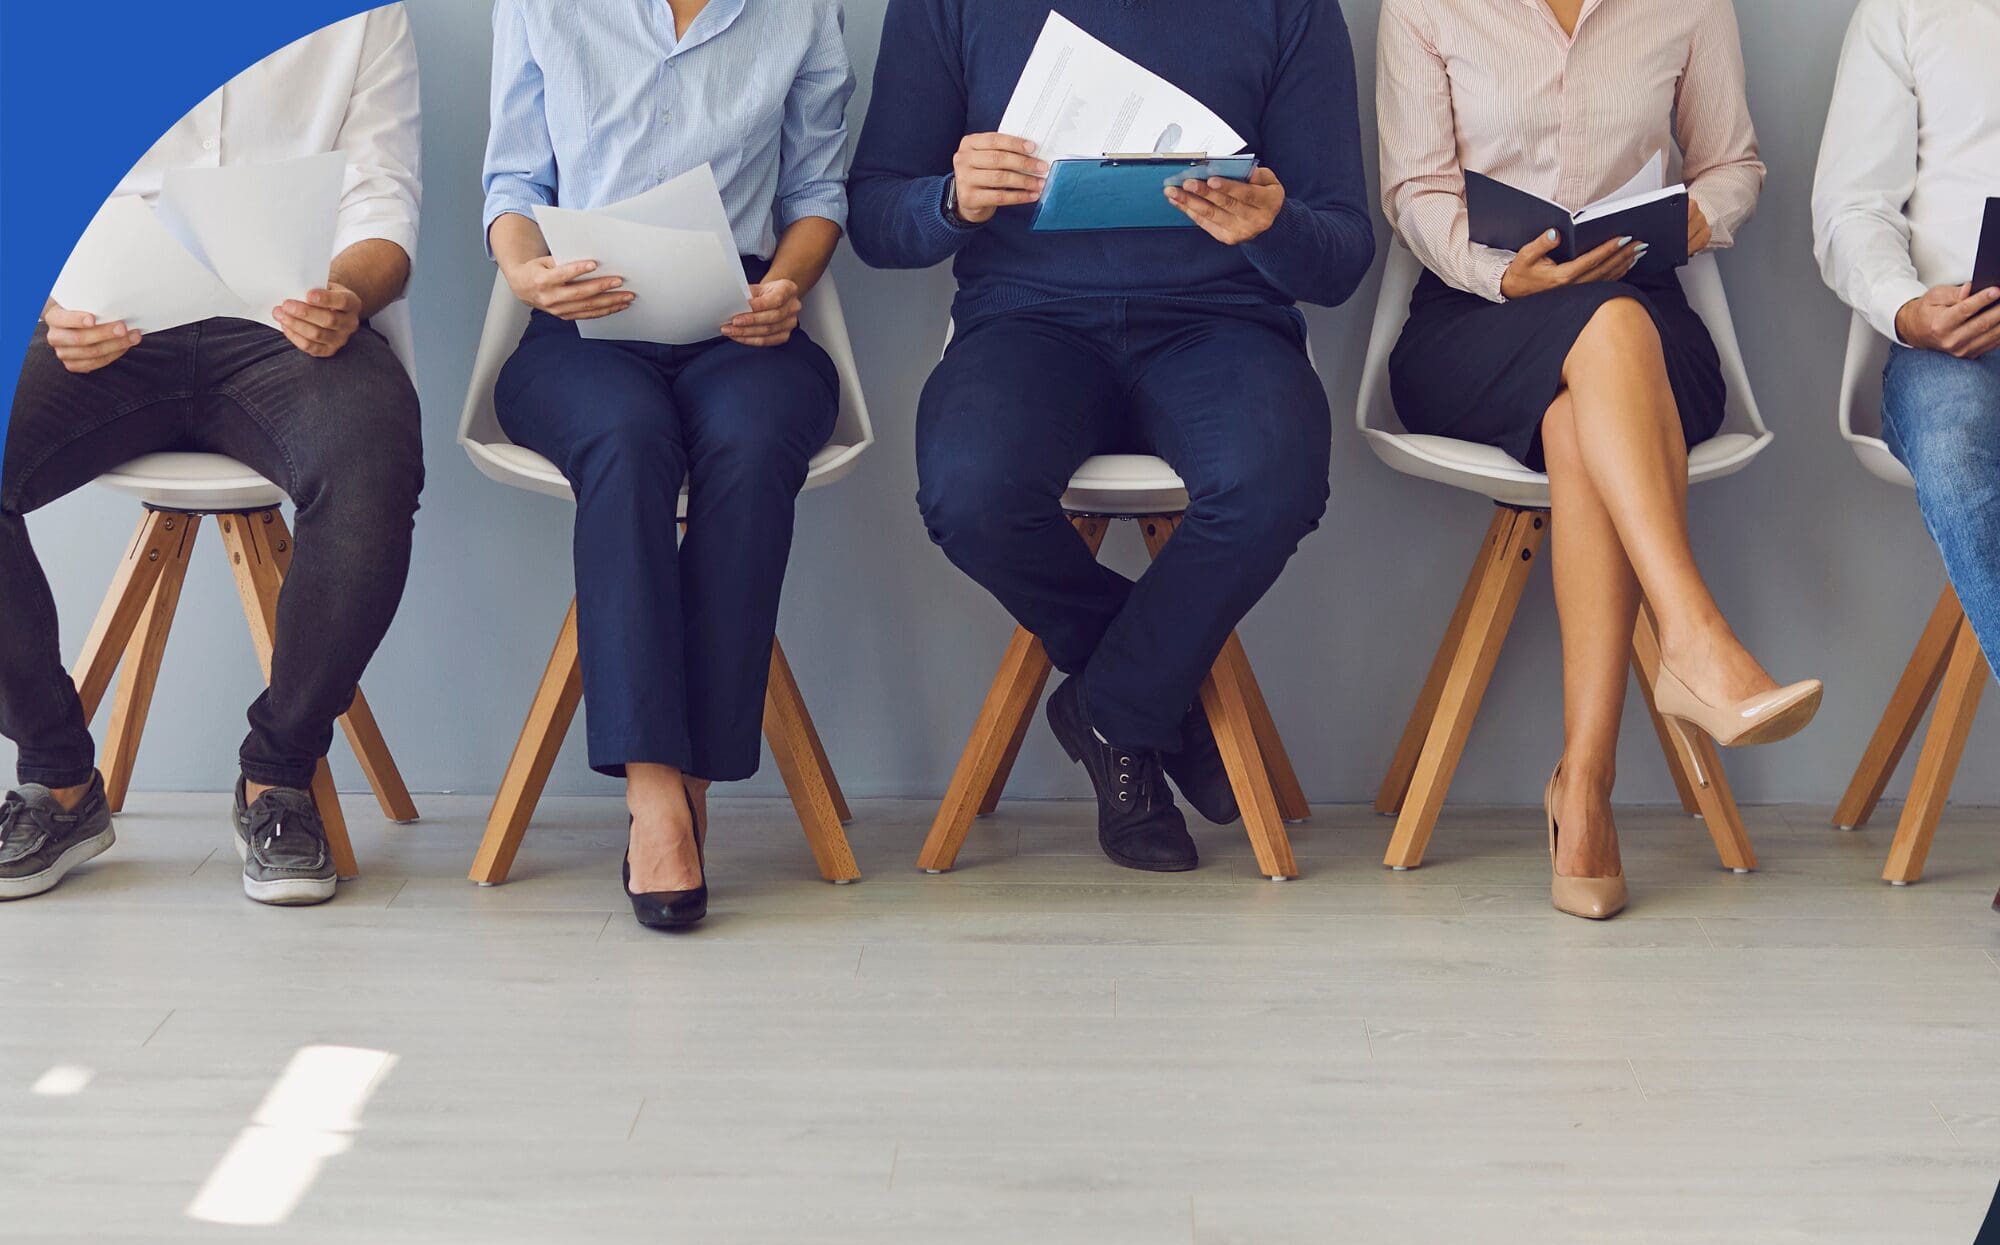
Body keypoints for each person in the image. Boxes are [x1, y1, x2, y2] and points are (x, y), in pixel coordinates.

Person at [847, 0, 1374, 874]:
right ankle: (1156, 703)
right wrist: (950, 199)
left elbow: (1343, 251)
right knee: (969, 490)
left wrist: (1274, 225)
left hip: (1222, 321)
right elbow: (875, 218)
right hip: (1027, 318)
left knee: (1273, 481)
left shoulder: (1292, 10)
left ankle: (1113, 710)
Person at [1376, 0, 1822, 921]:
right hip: (1479, 315)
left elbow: (1732, 163)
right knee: (1596, 353)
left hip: (1646, 319)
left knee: (1587, 408)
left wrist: (1697, 218)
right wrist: (1502, 272)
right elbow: (1414, 187)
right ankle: (1694, 642)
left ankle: (1583, 785)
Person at [0, 5, 422, 907]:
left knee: (374, 461)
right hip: (109, 328)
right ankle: (60, 778)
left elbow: (385, 197)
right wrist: (47, 308)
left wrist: (347, 294)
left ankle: (278, 777)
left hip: (287, 328)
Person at [483, 0, 853, 930]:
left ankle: (696, 780)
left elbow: (816, 193)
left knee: (754, 437)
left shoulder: (801, 10)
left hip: (741, 317)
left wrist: (787, 287)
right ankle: (656, 795)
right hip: (581, 325)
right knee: (628, 438)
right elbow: (512, 183)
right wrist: (528, 273)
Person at [1813, 0, 2000, 908]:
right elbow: (1850, 206)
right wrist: (1906, 306)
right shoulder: (1905, 11)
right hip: (1952, 344)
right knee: (1963, 463)